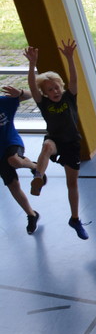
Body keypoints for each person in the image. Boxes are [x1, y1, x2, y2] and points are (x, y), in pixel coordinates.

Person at [24, 41, 89, 239]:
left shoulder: (69, 97)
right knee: (46, 146)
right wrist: (32, 64)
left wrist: (69, 58)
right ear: (45, 93)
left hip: (71, 143)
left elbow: (74, 80)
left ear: (62, 86)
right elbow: (32, 86)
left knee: (72, 184)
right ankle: (38, 176)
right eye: (50, 90)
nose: (55, 91)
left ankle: (75, 219)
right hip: (54, 140)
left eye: (57, 87)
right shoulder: (43, 103)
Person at [1, 86, 40, 234]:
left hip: (11, 142)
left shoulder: (3, 102)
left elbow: (32, 94)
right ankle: (32, 214)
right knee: (13, 185)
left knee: (14, 160)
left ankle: (34, 166)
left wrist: (21, 93)